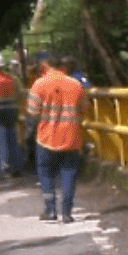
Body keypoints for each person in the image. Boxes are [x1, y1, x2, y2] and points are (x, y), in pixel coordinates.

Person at [27, 54, 87, 223]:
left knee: (45, 173)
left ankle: (50, 210)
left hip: (46, 139)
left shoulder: (39, 84)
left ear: (45, 66)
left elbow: (33, 112)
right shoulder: (76, 84)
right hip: (71, 138)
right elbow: (84, 108)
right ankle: (67, 213)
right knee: (68, 174)